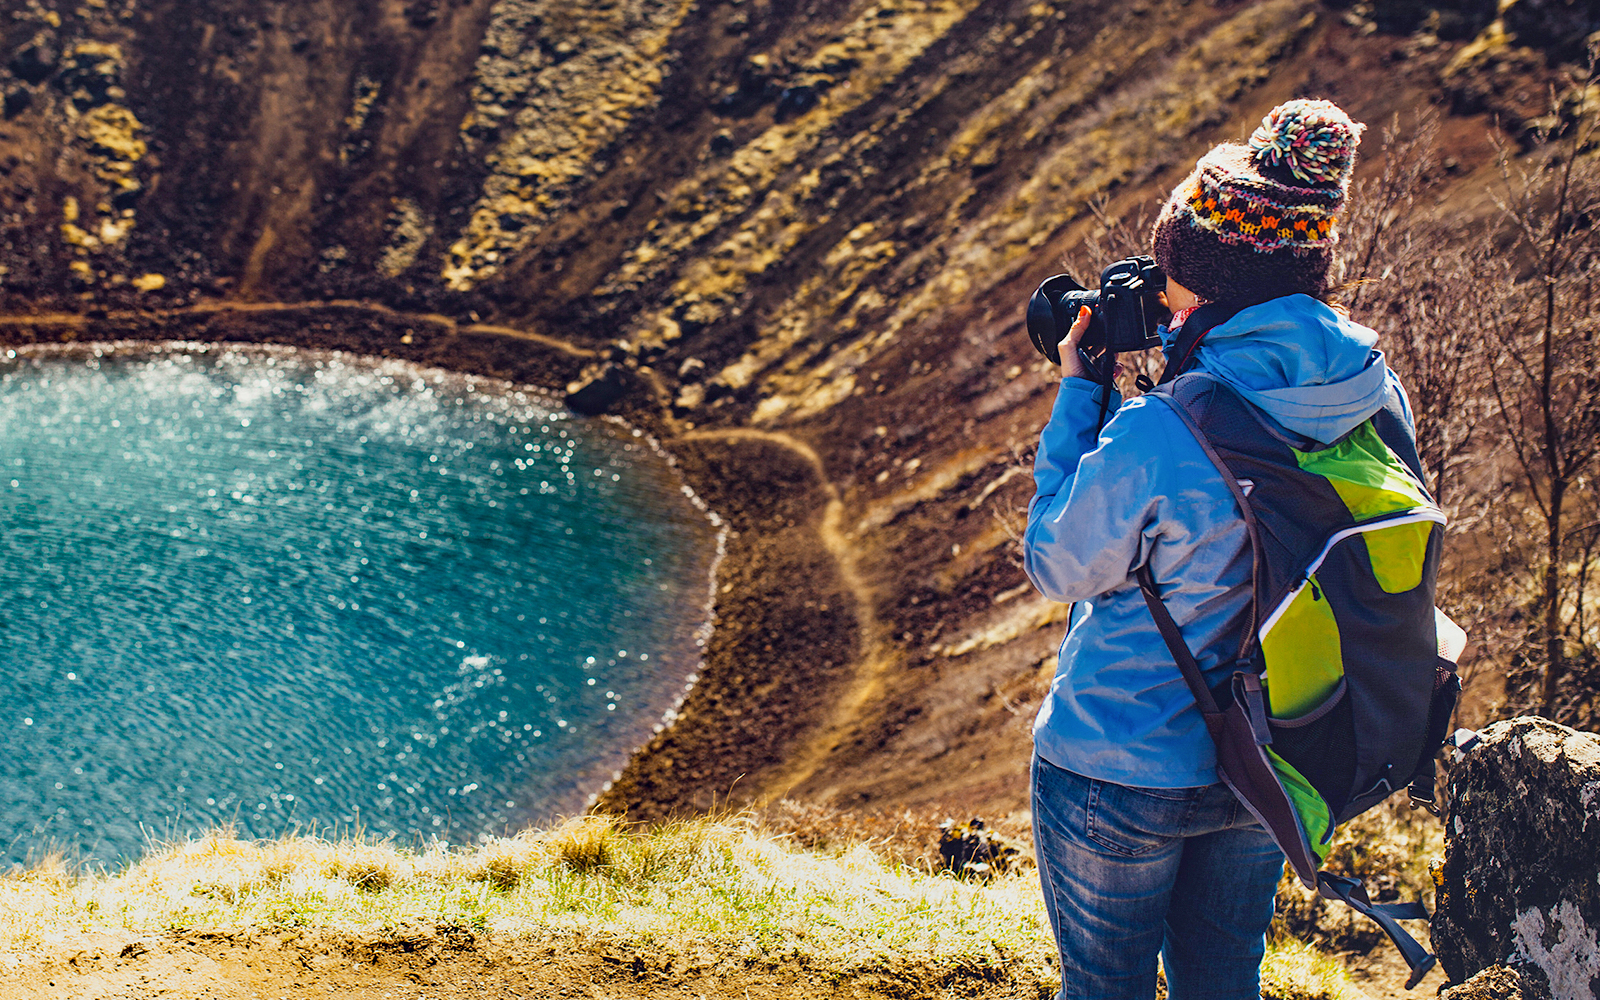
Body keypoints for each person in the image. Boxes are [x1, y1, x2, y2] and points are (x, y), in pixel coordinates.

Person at [1024, 99, 1409, 999]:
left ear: (1207, 283)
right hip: (1267, 760)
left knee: (1107, 988)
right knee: (1222, 979)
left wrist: (1085, 396)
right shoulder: (1373, 393)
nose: (1159, 295)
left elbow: (1060, 561)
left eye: (1170, 275)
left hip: (1119, 766)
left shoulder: (1164, 428)